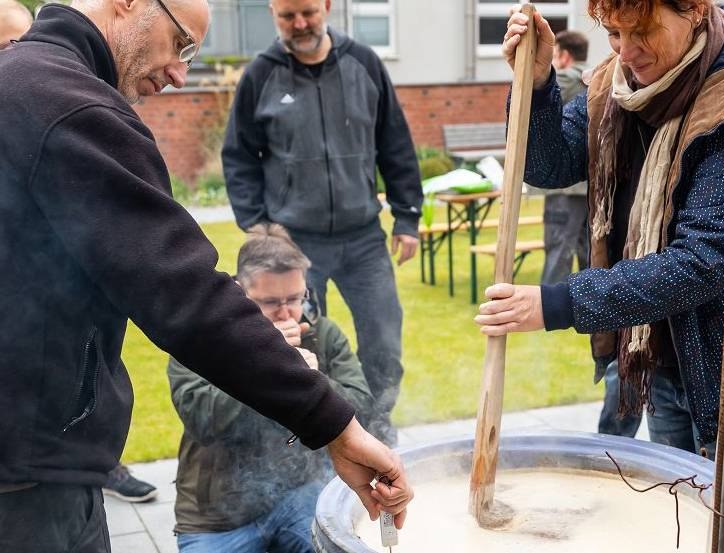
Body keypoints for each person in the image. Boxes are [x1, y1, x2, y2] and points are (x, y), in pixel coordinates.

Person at [0, 0, 412, 551]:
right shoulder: (69, 107)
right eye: (182, 44)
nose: (180, 72)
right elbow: (183, 293)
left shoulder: (19, 81)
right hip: (27, 482)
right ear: (130, 4)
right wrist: (335, 425)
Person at [475, 0, 724, 457]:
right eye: (614, 34)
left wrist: (558, 304)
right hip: (655, 355)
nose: (626, 52)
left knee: (721, 518)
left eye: (642, 31)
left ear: (695, 12)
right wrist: (537, 81)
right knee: (678, 511)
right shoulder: (615, 85)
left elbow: (705, 260)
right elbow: (547, 165)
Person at [223, 0, 422, 448]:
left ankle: (378, 420)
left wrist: (407, 217)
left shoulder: (363, 63)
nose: (299, 24)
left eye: (309, 13)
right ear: (274, 12)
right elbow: (238, 156)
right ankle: (329, 426)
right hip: (297, 244)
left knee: (384, 338)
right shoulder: (261, 74)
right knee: (311, 340)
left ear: (327, 6)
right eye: (287, 16)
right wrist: (257, 222)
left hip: (364, 237)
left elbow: (395, 142)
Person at [169, 224, 375, 553]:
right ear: (238, 292)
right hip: (217, 515)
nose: (286, 312)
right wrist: (269, 365)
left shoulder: (320, 333)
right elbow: (201, 419)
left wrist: (313, 378)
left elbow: (363, 407)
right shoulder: (201, 338)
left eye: (295, 298)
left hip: (298, 493)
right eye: (269, 302)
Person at [538, 29, 591, 286]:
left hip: (564, 187)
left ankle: (545, 309)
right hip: (590, 186)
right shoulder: (597, 81)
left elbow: (534, 95)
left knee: (558, 247)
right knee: (588, 251)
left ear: (565, 56)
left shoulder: (565, 79)